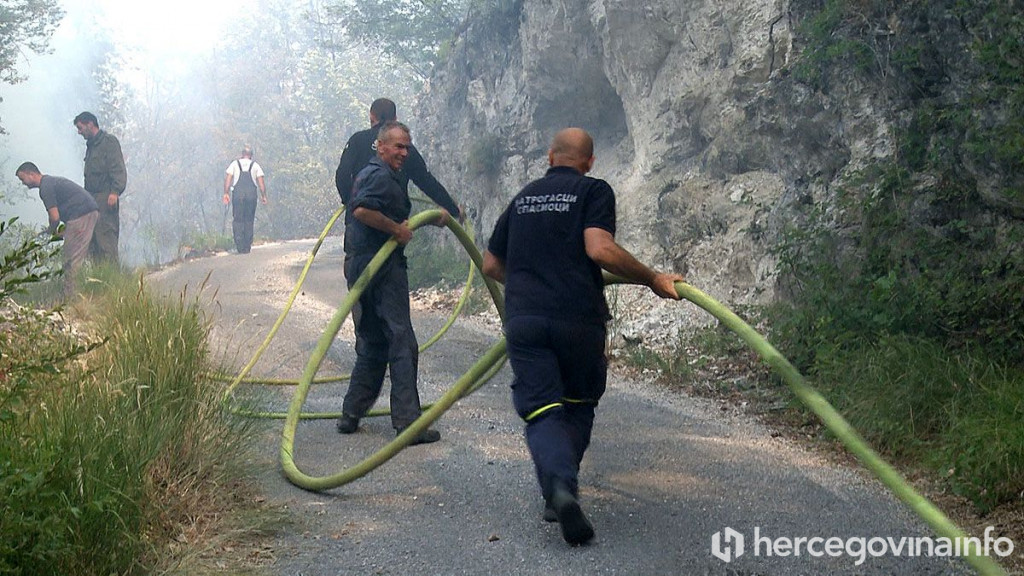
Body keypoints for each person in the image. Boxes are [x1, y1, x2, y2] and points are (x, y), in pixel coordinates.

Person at [482, 128, 685, 546]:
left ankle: (558, 489)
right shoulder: (593, 191)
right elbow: (599, 249)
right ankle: (561, 488)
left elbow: (490, 264)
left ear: (549, 157)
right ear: (589, 162)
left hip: (525, 320)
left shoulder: (522, 198)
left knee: (541, 410)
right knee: (576, 406)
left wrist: (527, 285)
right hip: (577, 319)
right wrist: (652, 278)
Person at [336, 121, 460, 445]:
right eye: (398, 146)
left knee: (373, 341)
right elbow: (363, 210)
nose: (404, 153)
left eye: (407, 146)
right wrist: (395, 229)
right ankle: (408, 422)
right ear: (380, 146)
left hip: (360, 264)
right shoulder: (378, 174)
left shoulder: (375, 173)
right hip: (380, 266)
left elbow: (383, 212)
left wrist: (435, 217)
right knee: (401, 340)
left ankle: (351, 413)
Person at [335, 98, 454, 209]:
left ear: (372, 117)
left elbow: (342, 175)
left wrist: (351, 203)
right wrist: (452, 208)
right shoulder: (405, 148)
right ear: (395, 119)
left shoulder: (357, 140)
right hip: (394, 218)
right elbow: (426, 181)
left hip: (359, 220)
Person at [15, 162, 99, 299]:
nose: (23, 183)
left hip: (81, 215)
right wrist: (62, 231)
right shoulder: (51, 182)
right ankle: (84, 291)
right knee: (77, 255)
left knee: (71, 259)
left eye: (22, 179)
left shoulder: (45, 187)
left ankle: (71, 297)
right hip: (85, 213)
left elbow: (54, 218)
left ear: (31, 174)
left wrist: (50, 231)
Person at [73, 112, 126, 264]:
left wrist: (115, 192)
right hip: (91, 200)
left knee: (106, 239)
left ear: (90, 124)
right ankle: (99, 280)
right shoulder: (91, 146)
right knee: (93, 241)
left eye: (80, 127)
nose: (79, 132)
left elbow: (118, 168)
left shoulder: (109, 142)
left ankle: (112, 280)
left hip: (105, 197)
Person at [222, 145, 268, 254]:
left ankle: (239, 245)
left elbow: (228, 179)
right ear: (251, 156)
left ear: (242, 155)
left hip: (238, 195)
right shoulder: (255, 165)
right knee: (249, 219)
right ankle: (247, 245)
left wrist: (226, 193)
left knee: (238, 219)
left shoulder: (234, 164)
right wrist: (264, 196)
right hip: (251, 195)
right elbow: (261, 183)